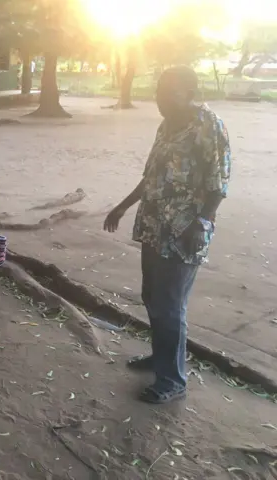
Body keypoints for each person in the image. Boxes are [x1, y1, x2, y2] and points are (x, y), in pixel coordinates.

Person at [103, 66, 231, 404]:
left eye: (168, 92)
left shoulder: (209, 126)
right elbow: (151, 177)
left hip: (184, 232)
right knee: (152, 297)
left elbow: (219, 185)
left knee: (171, 305)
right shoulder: (167, 125)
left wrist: (200, 224)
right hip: (153, 227)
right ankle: (160, 357)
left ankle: (172, 380)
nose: (160, 98)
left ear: (189, 92)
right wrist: (122, 206)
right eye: (158, 91)